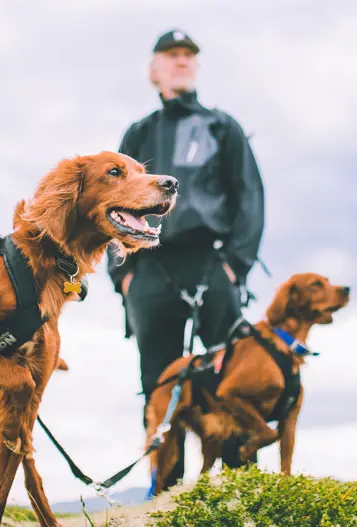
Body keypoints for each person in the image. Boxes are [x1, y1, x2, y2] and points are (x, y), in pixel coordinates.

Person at [106, 29, 266, 493]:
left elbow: (249, 196)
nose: (181, 61)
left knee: (229, 378)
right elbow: (112, 201)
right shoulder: (138, 133)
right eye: (170, 55)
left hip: (211, 265)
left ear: (196, 68)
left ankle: (241, 494)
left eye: (188, 56)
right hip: (150, 267)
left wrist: (236, 263)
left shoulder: (223, 127)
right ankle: (168, 496)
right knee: (159, 383)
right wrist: (125, 275)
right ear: (154, 70)